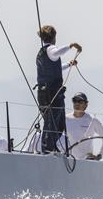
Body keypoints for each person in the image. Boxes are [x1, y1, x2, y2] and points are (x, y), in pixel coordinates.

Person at [35, 25, 82, 153]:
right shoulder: (51, 49)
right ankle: (47, 149)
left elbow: (55, 68)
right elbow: (56, 53)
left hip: (44, 93)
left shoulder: (42, 53)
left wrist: (69, 64)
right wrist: (71, 45)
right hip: (52, 93)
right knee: (53, 122)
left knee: (58, 124)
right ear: (54, 36)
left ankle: (50, 147)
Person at [60, 92, 103, 160]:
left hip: (87, 161)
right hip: (69, 160)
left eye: (80, 101)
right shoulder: (65, 119)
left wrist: (100, 155)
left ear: (86, 105)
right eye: (75, 101)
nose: (77, 104)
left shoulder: (92, 120)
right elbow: (58, 137)